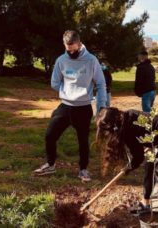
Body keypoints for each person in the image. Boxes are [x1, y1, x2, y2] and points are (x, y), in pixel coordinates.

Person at [34, 30, 107, 182]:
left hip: (83, 107)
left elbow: (100, 84)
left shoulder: (91, 60)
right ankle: (51, 164)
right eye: (68, 49)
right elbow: (55, 82)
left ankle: (83, 170)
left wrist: (101, 107)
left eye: (73, 49)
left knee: (82, 141)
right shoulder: (61, 60)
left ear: (79, 44)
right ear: (64, 45)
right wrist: (67, 91)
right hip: (65, 106)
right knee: (50, 135)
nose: (71, 52)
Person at [96, 107, 158, 213]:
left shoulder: (127, 129)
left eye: (107, 130)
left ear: (113, 125)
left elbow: (138, 158)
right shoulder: (129, 114)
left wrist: (127, 169)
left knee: (150, 164)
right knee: (154, 160)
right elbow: (144, 133)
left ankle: (145, 204)